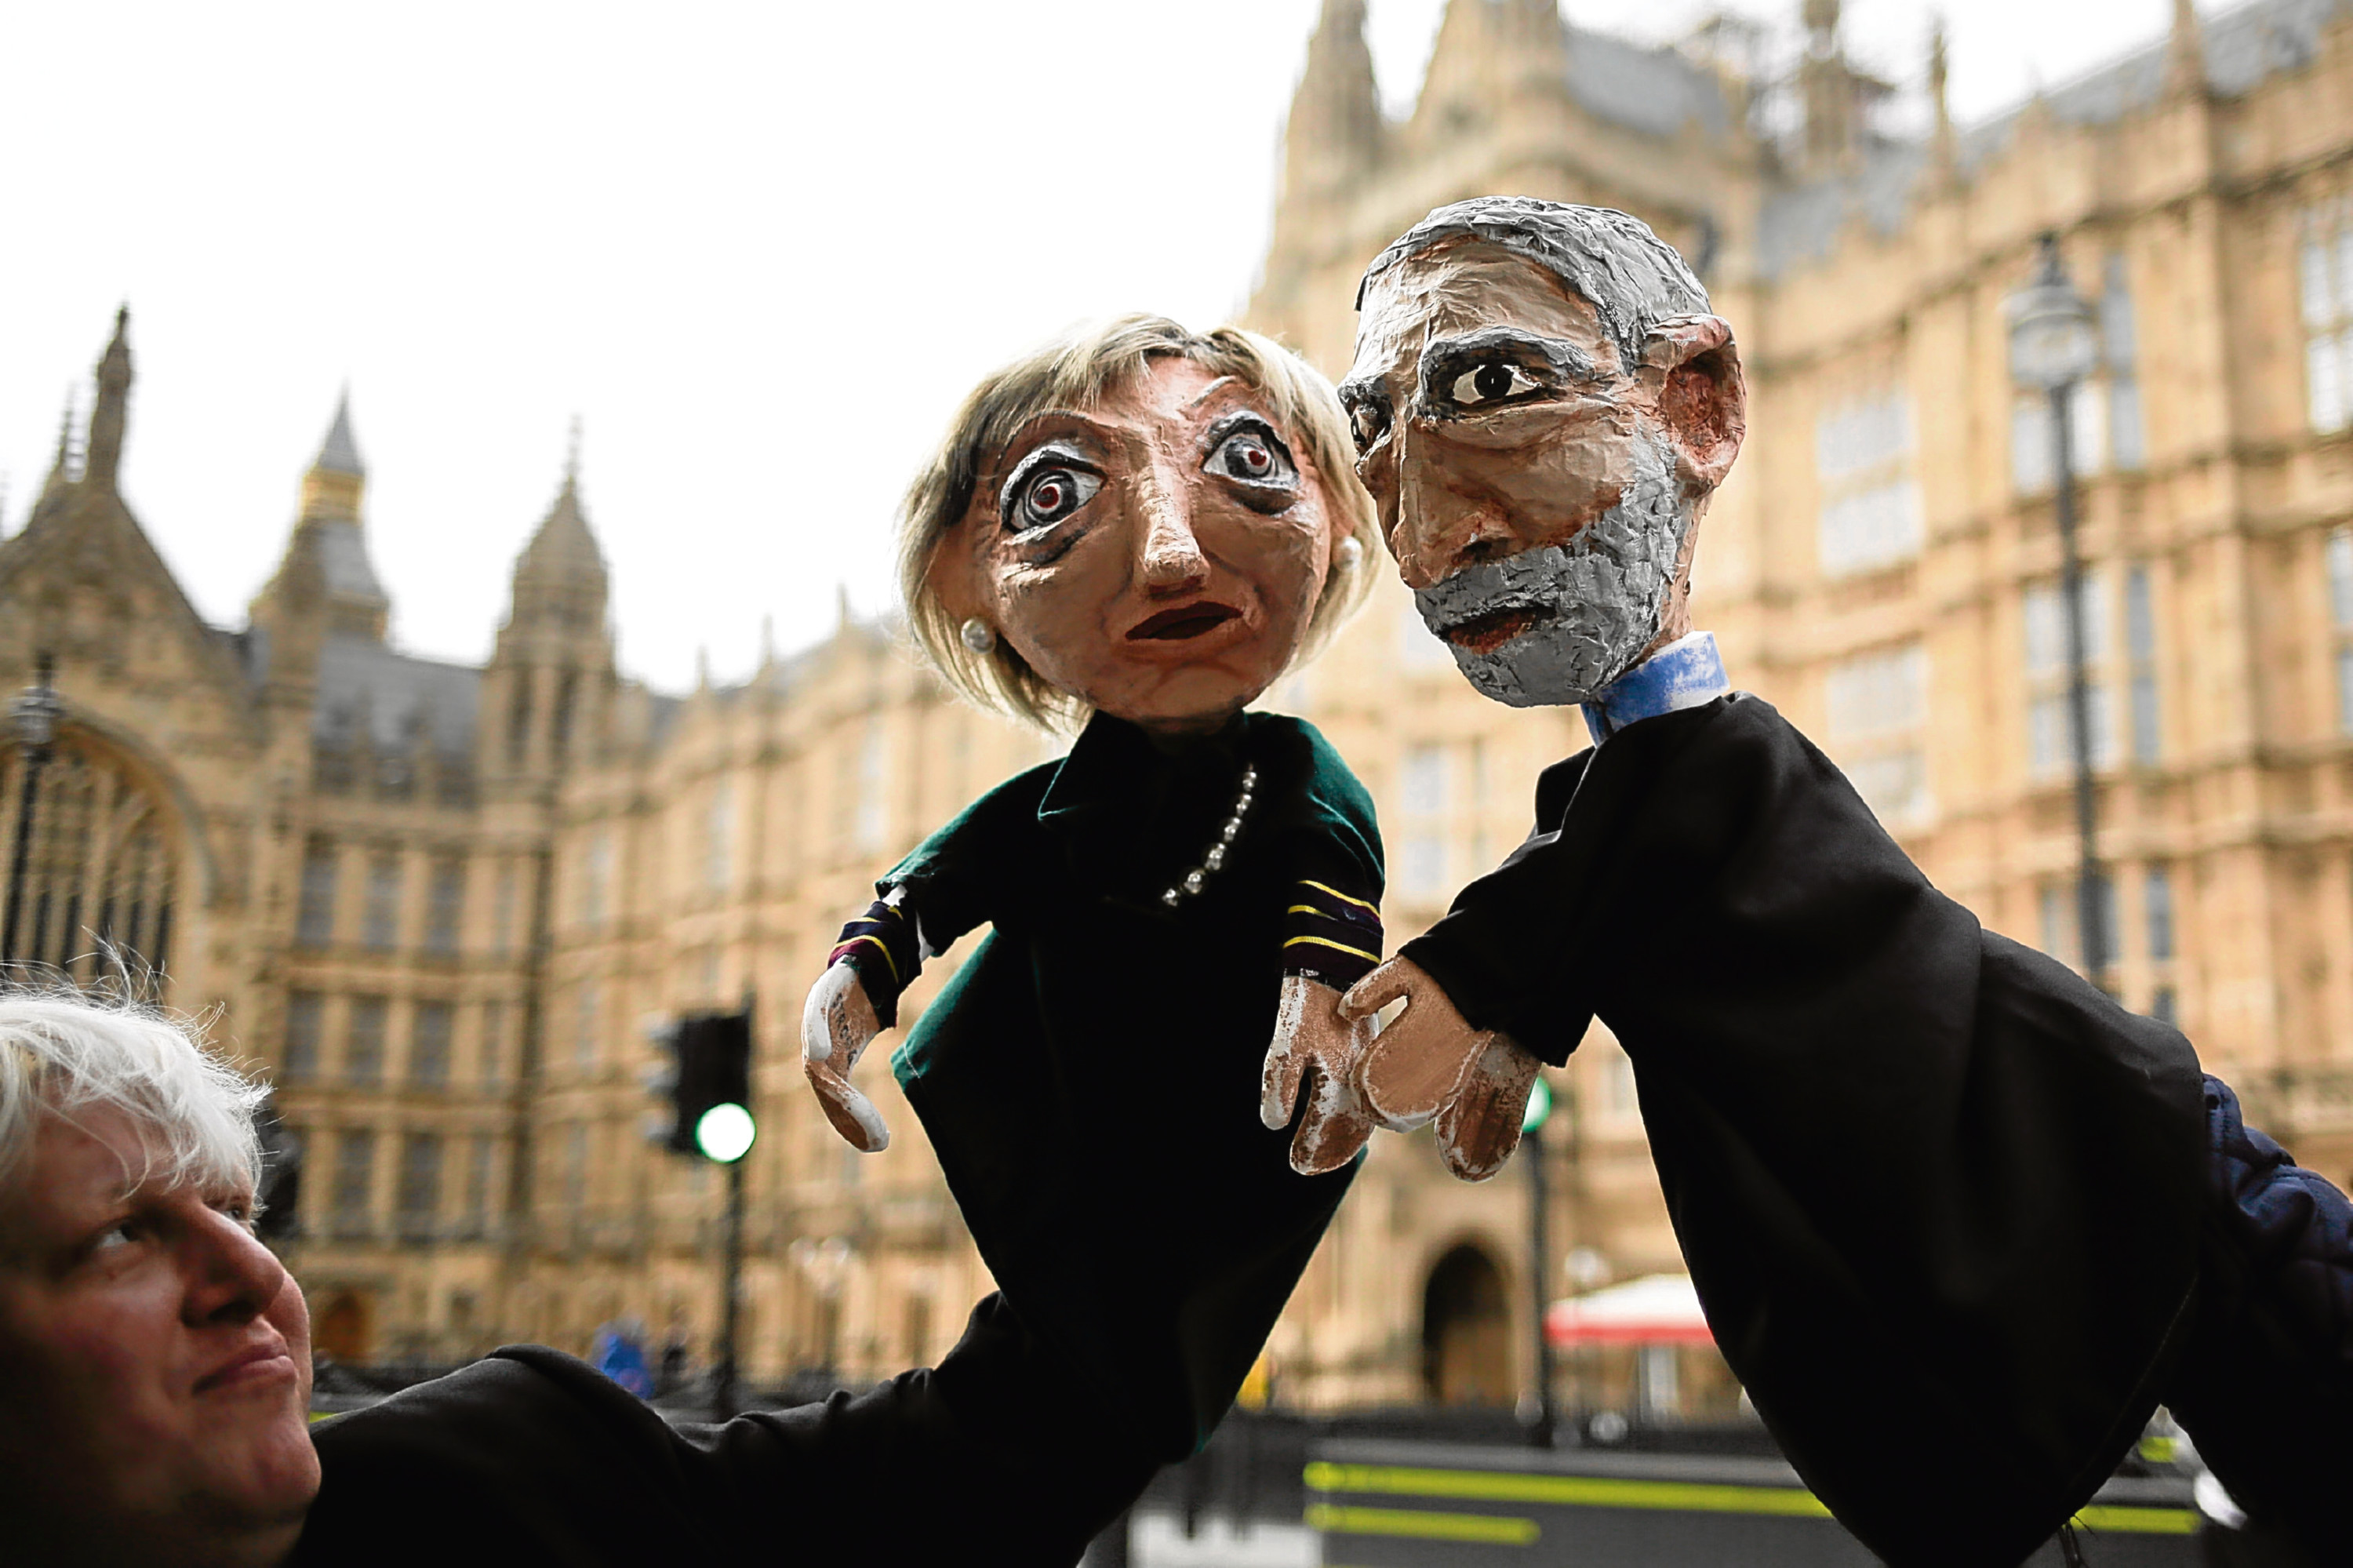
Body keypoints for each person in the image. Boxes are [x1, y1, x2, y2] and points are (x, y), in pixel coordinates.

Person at [1322, 196, 2352, 1565]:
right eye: (1372, 446)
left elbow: (1646, 833)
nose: (1428, 533)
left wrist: (1474, 972)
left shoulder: (1707, 774)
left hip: (2109, 1146)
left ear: (1697, 406)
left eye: (1495, 389)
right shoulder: (1641, 801)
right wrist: (1522, 1015)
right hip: (2024, 1197)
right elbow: (1620, 865)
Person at [0, 987, 1309, 1566]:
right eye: (121, 1234)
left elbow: (974, 1467)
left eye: (237, 1209)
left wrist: (1287, 1095)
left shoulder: (510, 1475)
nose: (249, 1270)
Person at [799, 315, 1387, 1457]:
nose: (1169, 554)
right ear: (960, 580)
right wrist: (866, 965)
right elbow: (957, 867)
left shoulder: (1291, 776)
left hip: (1222, 1108)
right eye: (1054, 492)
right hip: (1054, 1103)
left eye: (1250, 462)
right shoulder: (1060, 805)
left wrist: (1321, 991)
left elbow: (1333, 857)